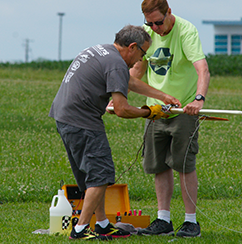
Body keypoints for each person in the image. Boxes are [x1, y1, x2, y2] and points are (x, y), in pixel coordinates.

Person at [49, 25, 181, 240]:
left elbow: (127, 81)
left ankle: (101, 224)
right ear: (132, 47)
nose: (140, 60)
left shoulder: (101, 51)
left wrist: (162, 96)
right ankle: (80, 230)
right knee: (100, 176)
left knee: (93, 177)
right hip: (83, 122)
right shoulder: (116, 63)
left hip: (64, 117)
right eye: (142, 53)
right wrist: (149, 112)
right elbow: (121, 109)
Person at [131, 0, 210, 238]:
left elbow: (202, 70)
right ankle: (163, 219)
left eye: (158, 22)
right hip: (156, 110)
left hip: (183, 109)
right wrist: (118, 96)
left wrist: (198, 99)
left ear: (169, 13)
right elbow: (137, 69)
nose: (155, 28)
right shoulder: (147, 34)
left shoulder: (186, 31)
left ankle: (190, 222)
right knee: (158, 165)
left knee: (184, 164)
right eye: (149, 23)